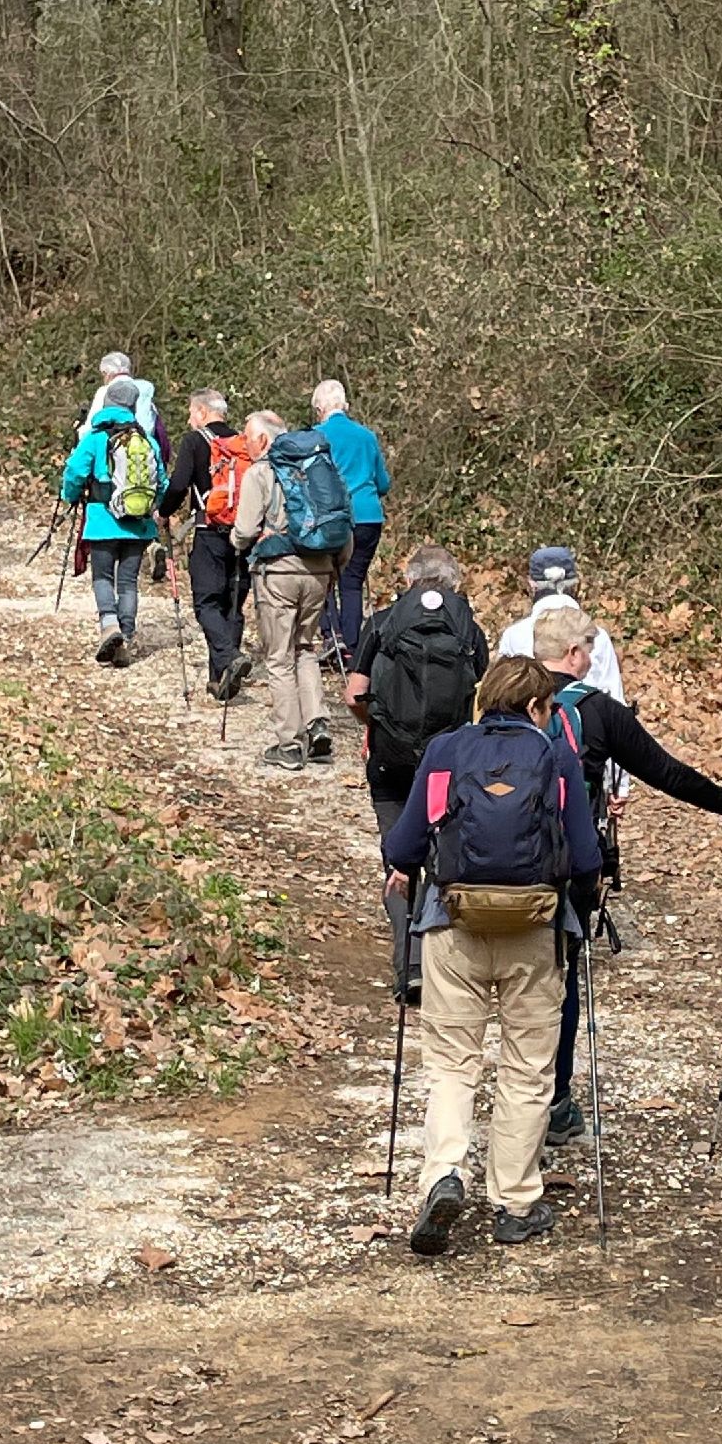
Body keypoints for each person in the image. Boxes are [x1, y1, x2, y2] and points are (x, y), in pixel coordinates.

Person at [380, 655, 603, 1256]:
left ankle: (445, 1174)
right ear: (535, 707)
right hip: (535, 931)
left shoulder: (446, 751)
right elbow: (585, 858)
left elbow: (402, 845)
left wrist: (409, 870)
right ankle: (515, 1203)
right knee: (527, 1069)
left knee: (453, 1064)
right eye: (548, 708)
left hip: (453, 925)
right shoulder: (557, 757)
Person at [532, 604, 722, 1145]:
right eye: (589, 650)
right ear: (574, 654)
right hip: (570, 862)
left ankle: (519, 1098)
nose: (591, 659)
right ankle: (556, 1102)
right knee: (564, 973)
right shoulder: (598, 711)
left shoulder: (504, 697)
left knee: (517, 978)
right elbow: (666, 772)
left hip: (499, 863)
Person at [348, 545, 490, 998]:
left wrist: (377, 726)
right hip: (448, 763)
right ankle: (447, 965)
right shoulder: (470, 629)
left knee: (399, 859)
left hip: (390, 761)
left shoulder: (381, 623)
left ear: (408, 581)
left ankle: (409, 966)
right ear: (454, 585)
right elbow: (482, 701)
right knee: (440, 856)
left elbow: (354, 694)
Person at [231, 414, 352, 770]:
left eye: (249, 437)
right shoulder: (324, 470)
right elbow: (345, 528)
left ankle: (289, 743)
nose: (245, 444)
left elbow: (243, 532)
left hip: (278, 573)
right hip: (320, 571)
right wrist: (334, 569)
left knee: (279, 657)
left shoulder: (261, 473)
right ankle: (317, 724)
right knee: (306, 648)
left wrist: (239, 541)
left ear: (264, 441)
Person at [158, 390, 256, 700]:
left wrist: (163, 512)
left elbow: (178, 484)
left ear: (202, 412)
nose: (189, 419)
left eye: (191, 413)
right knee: (232, 603)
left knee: (207, 603)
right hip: (243, 532)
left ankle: (229, 658)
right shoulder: (244, 443)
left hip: (209, 530)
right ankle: (221, 678)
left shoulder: (195, 441)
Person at [60, 375, 165, 665]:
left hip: (101, 521)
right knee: (128, 582)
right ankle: (126, 636)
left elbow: (74, 472)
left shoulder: (96, 439)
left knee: (103, 577)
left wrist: (70, 495)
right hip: (139, 524)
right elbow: (162, 482)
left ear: (107, 404)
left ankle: (109, 625)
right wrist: (155, 508)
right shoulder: (147, 441)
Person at [312, 378, 392, 665]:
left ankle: (332, 636)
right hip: (368, 516)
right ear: (345, 405)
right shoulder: (367, 436)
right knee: (352, 582)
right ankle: (352, 648)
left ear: (319, 409)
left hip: (333, 518)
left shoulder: (316, 437)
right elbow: (383, 483)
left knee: (323, 577)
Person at [81, 350, 174, 583]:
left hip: (110, 475)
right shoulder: (146, 396)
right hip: (144, 470)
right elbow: (162, 439)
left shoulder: (105, 393)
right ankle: (153, 543)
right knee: (141, 502)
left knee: (104, 575)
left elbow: (88, 432)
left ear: (107, 373)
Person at [497, 547, 626, 701]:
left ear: (532, 583)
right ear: (575, 583)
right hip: (589, 714)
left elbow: (502, 694)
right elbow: (614, 695)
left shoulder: (514, 635)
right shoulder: (598, 635)